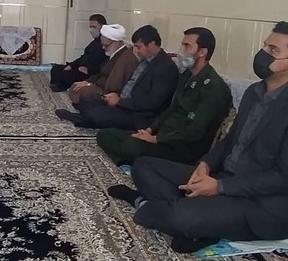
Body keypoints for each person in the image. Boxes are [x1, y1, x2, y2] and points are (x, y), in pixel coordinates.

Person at [108, 21, 288, 253]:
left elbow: (287, 178)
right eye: (265, 46)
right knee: (144, 167)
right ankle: (199, 221)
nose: (263, 54)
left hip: (262, 206)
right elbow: (231, 140)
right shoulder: (254, 92)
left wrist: (220, 187)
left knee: (178, 216)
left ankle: (145, 203)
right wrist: (205, 165)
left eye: (273, 50)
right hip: (223, 177)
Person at [97, 27, 232, 165]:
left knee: (132, 146)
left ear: (202, 52)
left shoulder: (214, 88)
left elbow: (194, 131)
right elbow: (171, 109)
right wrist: (149, 131)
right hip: (163, 135)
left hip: (181, 147)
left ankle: (138, 162)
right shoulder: (187, 76)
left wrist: (156, 139)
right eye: (182, 45)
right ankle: (133, 160)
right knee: (105, 135)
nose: (182, 50)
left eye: (187, 46)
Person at [59, 25, 179, 129]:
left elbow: (152, 103)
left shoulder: (165, 67)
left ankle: (83, 119)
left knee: (96, 114)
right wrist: (115, 96)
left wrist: (120, 102)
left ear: (151, 44)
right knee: (87, 101)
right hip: (123, 103)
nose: (136, 51)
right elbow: (130, 83)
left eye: (138, 47)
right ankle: (85, 118)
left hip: (138, 114)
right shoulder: (145, 60)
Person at [49, 14, 108, 92]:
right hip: (80, 67)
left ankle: (63, 86)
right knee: (56, 69)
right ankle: (59, 84)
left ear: (102, 27)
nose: (91, 30)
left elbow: (103, 64)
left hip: (90, 73)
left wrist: (89, 70)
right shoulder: (94, 42)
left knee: (67, 75)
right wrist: (71, 65)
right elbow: (84, 57)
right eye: (90, 27)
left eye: (94, 27)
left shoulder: (105, 43)